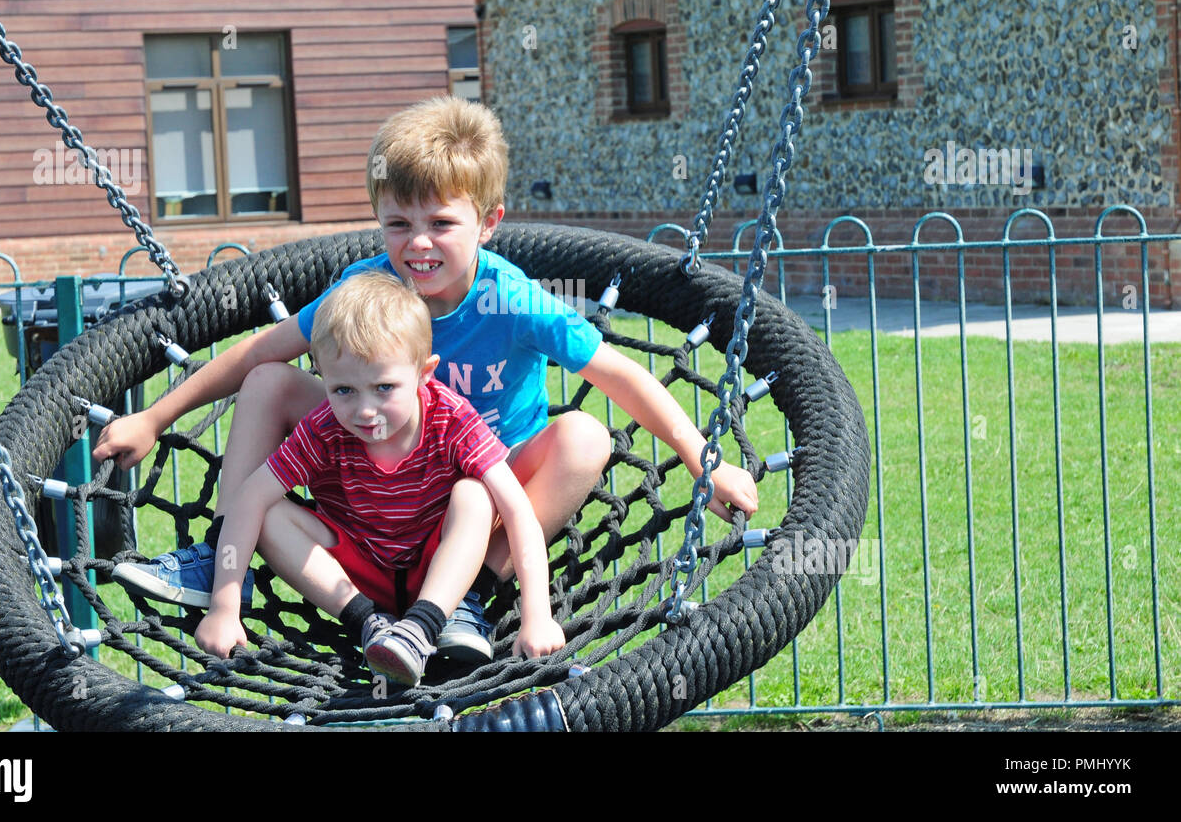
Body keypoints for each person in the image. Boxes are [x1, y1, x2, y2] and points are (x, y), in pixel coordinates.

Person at [98, 94, 759, 664]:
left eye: (442, 223)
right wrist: (154, 417)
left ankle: (469, 596)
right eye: (398, 223)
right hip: (372, 492)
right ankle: (219, 556)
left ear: (488, 222)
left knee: (585, 437)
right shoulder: (366, 291)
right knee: (271, 379)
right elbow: (254, 354)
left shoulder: (513, 299)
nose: (418, 244)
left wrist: (706, 463)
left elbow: (619, 374)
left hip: (482, 497)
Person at [191, 269, 563, 686]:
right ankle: (370, 623)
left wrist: (537, 614)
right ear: (322, 376)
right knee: (268, 510)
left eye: (384, 387)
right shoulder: (325, 427)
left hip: (437, 569)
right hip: (354, 572)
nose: (365, 411)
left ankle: (422, 628)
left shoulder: (451, 418)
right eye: (344, 390)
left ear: (425, 373)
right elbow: (249, 500)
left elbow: (517, 511)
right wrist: (224, 605)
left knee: (476, 495)